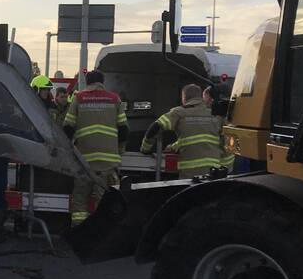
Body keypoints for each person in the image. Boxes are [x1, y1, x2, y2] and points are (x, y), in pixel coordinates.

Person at [63, 71, 127, 226]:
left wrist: (69, 150)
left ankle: (79, 236)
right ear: (102, 82)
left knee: (79, 201)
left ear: (87, 82)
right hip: (108, 162)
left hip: (84, 160)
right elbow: (124, 129)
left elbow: (68, 128)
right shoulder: (114, 99)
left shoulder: (79, 98)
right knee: (104, 201)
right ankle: (100, 238)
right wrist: (119, 150)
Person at [141, 83, 229, 178]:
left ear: (184, 98)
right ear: (200, 97)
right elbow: (202, 138)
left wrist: (145, 148)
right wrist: (174, 146)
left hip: (190, 172)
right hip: (213, 170)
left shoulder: (179, 112)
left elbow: (156, 127)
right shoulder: (215, 113)